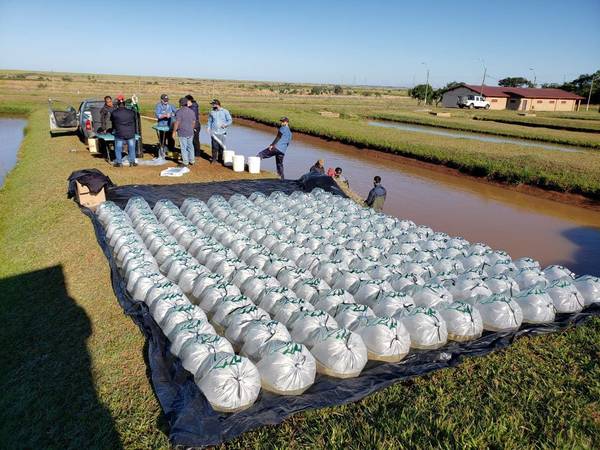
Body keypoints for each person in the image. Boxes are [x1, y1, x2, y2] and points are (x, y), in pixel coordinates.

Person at [110, 95, 137, 167]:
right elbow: (135, 119)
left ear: (118, 104)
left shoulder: (114, 113)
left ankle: (119, 162)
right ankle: (132, 162)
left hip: (119, 133)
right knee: (131, 147)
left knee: (118, 148)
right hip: (130, 133)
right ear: (124, 104)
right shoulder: (131, 112)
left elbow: (112, 121)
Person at [206, 99, 232, 164]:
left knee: (221, 147)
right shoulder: (211, 112)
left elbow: (230, 120)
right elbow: (209, 121)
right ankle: (214, 160)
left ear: (217, 104)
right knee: (214, 146)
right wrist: (208, 128)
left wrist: (225, 125)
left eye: (213, 104)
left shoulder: (225, 111)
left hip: (222, 132)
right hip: (214, 132)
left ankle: (220, 160)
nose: (212, 106)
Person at [173, 97, 197, 166]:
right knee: (190, 146)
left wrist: (174, 132)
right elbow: (194, 121)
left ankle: (185, 162)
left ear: (180, 104)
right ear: (186, 103)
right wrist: (191, 129)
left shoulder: (179, 112)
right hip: (190, 132)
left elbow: (177, 123)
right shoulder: (191, 111)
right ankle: (192, 160)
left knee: (183, 147)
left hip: (182, 132)